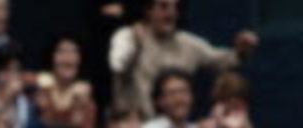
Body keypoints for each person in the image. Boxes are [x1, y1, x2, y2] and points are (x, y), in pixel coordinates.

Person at [108, 0, 258, 119]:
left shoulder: (187, 43)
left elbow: (221, 60)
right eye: (164, 7)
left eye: (175, 7)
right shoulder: (127, 37)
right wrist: (136, 47)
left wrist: (241, 52)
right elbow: (118, 67)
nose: (171, 13)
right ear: (149, 11)